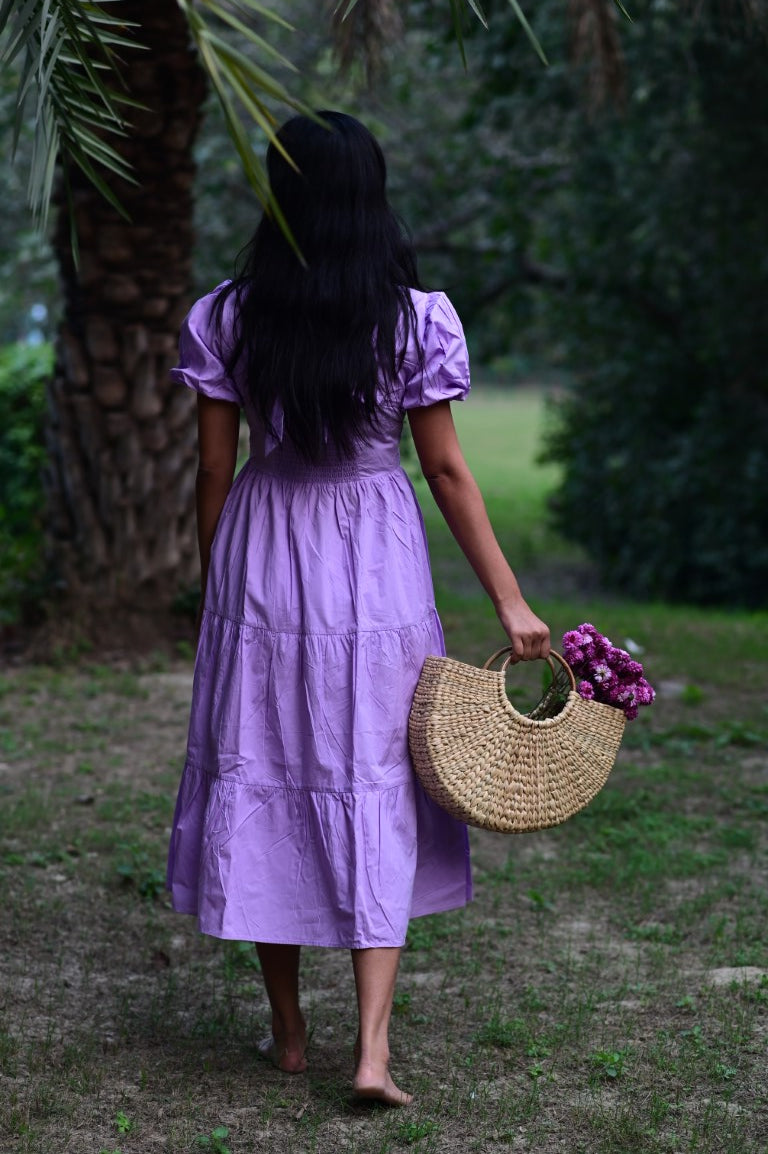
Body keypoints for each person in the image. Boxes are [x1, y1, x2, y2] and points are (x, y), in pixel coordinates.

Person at [166, 111, 550, 1107]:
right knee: (378, 771)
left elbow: (216, 465)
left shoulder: (228, 315)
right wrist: (510, 599)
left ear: (280, 199)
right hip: (375, 560)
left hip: (264, 550)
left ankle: (290, 1030)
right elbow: (449, 471)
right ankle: (371, 1050)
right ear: (370, 201)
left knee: (265, 763)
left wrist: (223, 583)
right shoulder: (415, 318)